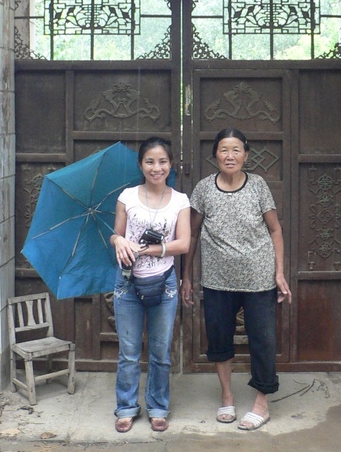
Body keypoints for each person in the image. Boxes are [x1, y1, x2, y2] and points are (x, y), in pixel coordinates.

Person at [181, 127, 292, 431]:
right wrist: (187, 277)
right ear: (215, 154)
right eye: (224, 150)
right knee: (219, 339)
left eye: (236, 150)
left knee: (263, 341)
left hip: (258, 279)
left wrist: (279, 272)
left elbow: (275, 230)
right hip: (217, 280)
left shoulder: (257, 186)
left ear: (246, 154)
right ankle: (227, 395)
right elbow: (191, 234)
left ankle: (261, 402)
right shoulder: (203, 189)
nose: (230, 156)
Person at [110, 137, 191, 433]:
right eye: (149, 162)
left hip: (165, 284)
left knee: (160, 350)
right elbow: (116, 234)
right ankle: (127, 407)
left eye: (162, 162)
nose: (156, 168)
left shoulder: (181, 200)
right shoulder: (127, 197)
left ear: (170, 164)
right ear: (141, 165)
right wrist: (119, 240)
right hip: (128, 282)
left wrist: (148, 250)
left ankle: (158, 406)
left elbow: (183, 243)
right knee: (129, 350)